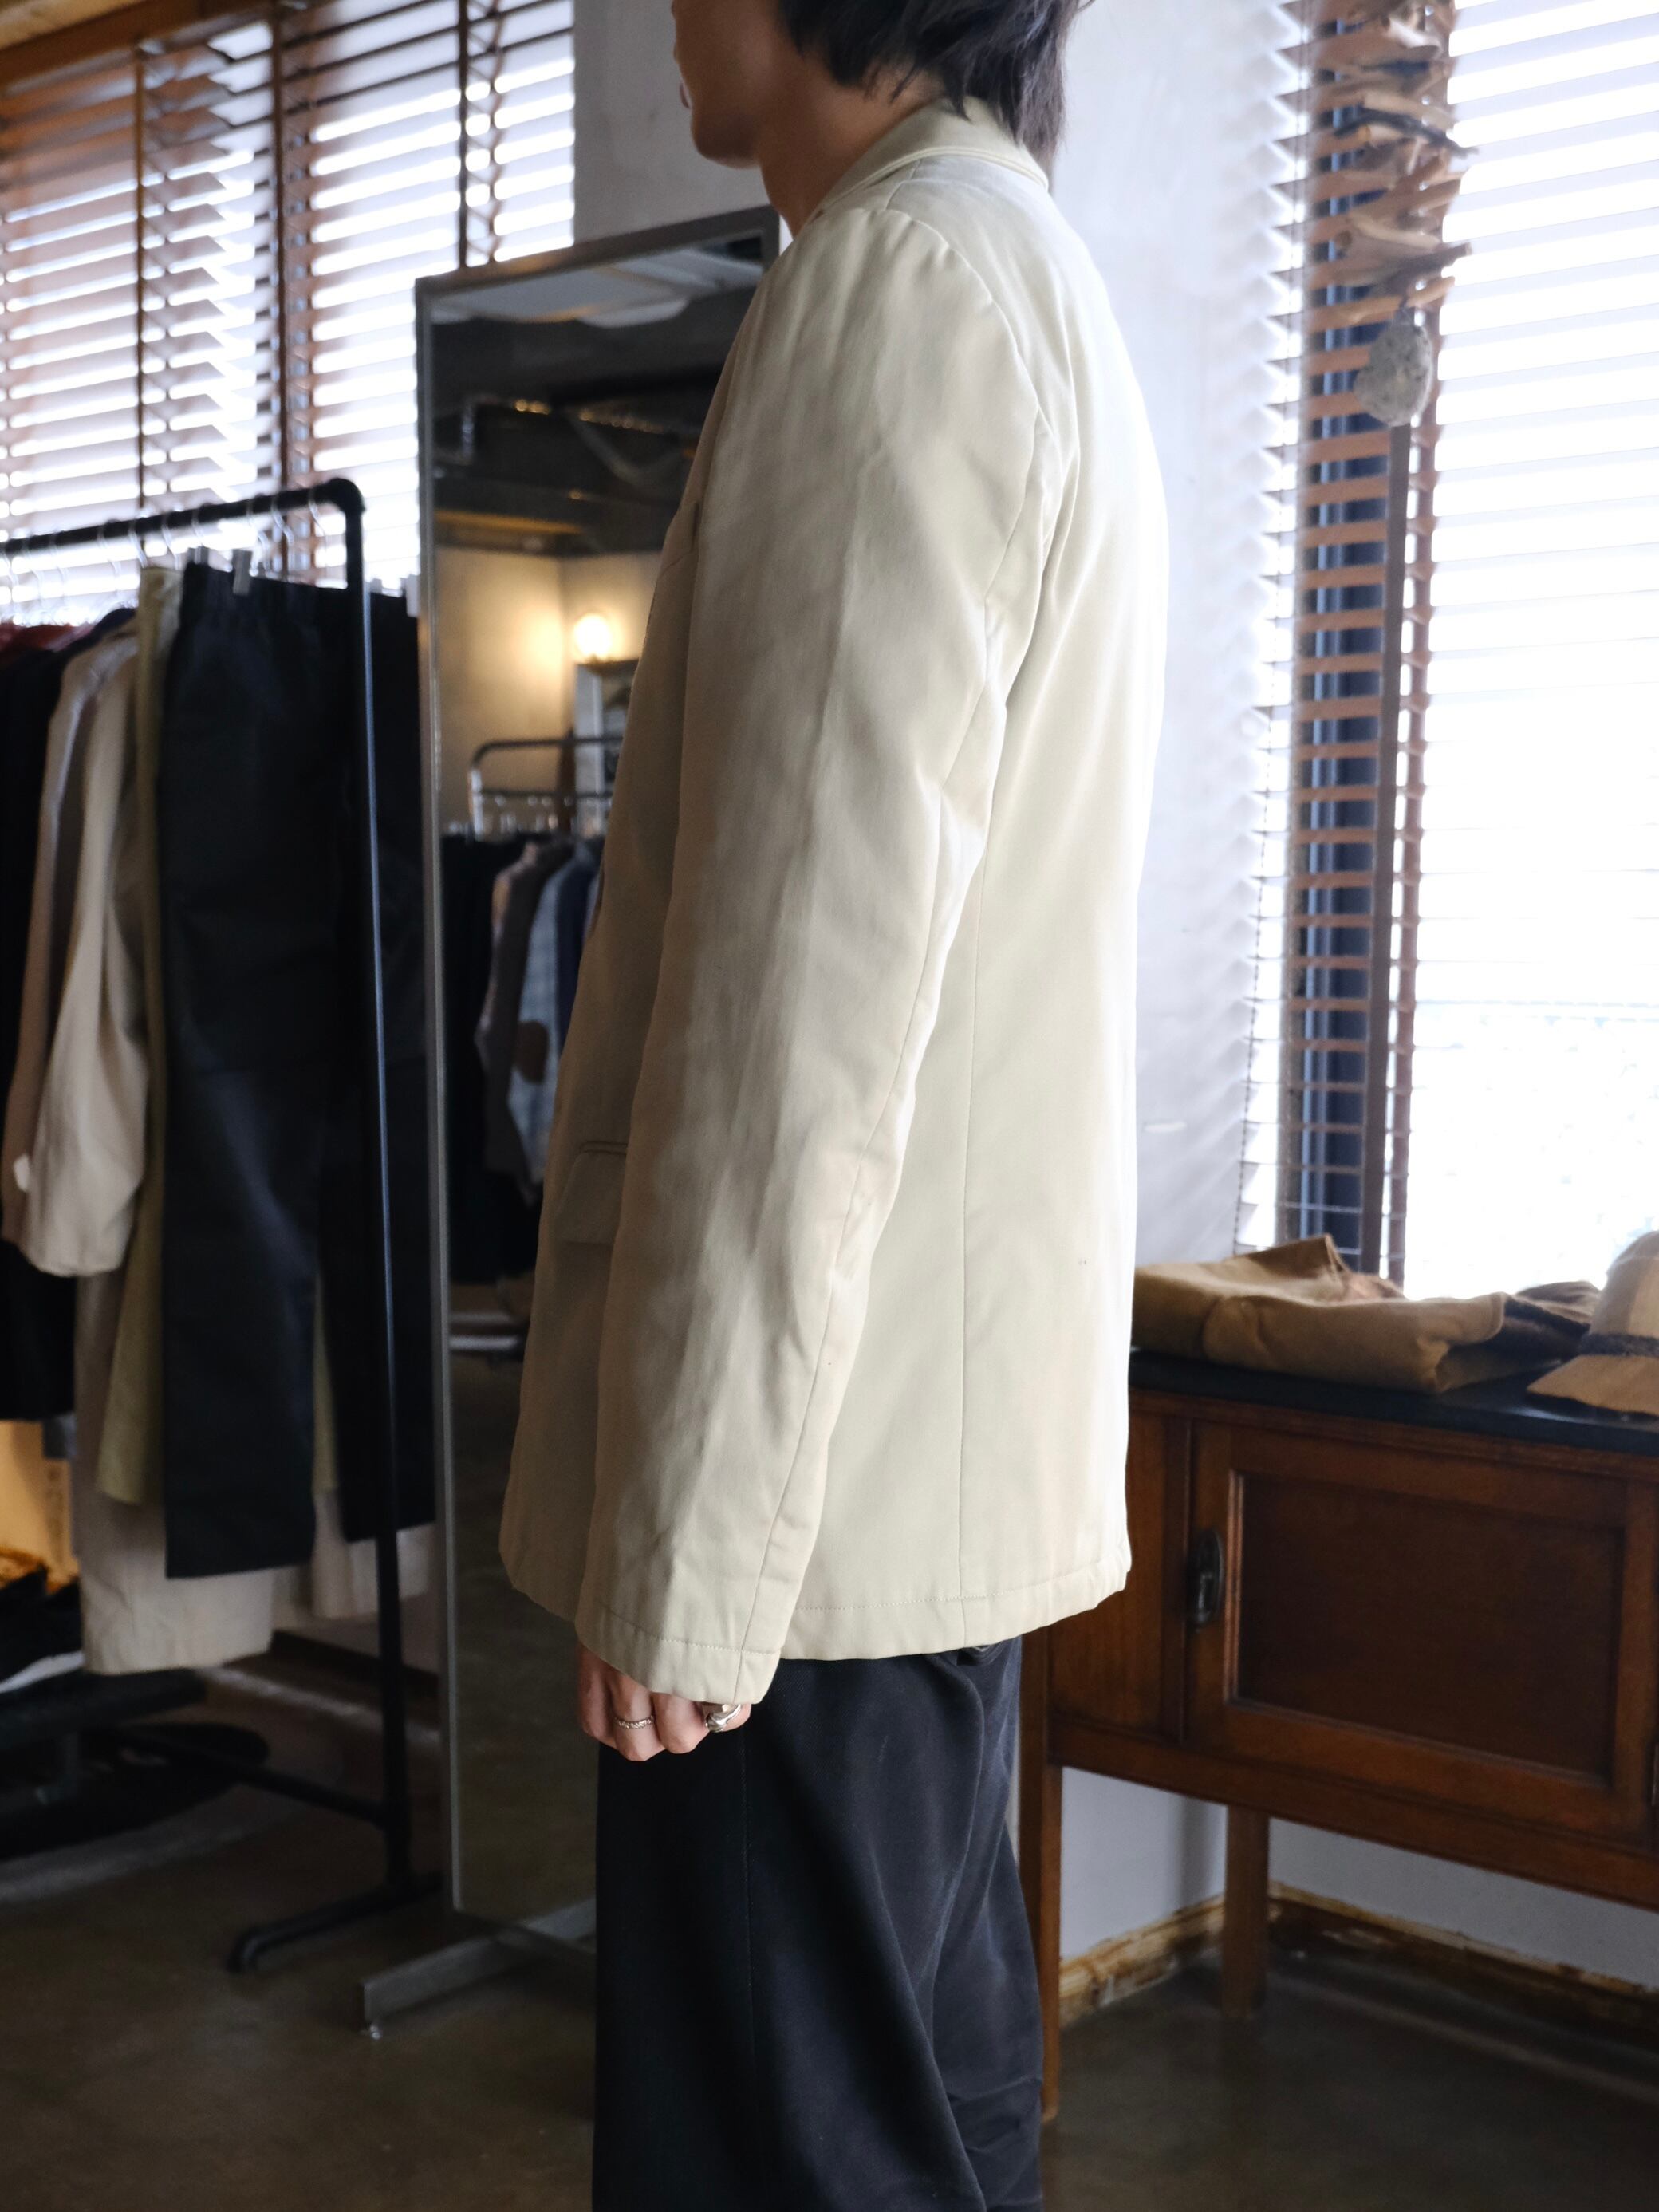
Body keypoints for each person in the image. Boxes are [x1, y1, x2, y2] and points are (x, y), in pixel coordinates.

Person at [500, 2, 1168, 2203]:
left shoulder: (899, 290)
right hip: (891, 1489)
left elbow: (804, 989)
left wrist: (689, 1543)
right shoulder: (1004, 268)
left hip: (805, 1535)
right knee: (919, 2137)